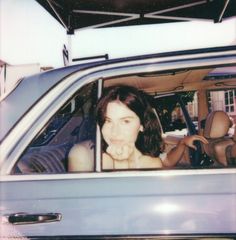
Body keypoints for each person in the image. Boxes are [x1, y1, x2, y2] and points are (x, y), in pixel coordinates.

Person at [68, 85, 208, 171]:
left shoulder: (150, 159)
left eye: (125, 121)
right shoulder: (86, 156)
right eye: (108, 121)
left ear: (142, 125)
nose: (114, 131)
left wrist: (182, 143)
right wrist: (117, 164)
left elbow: (167, 162)